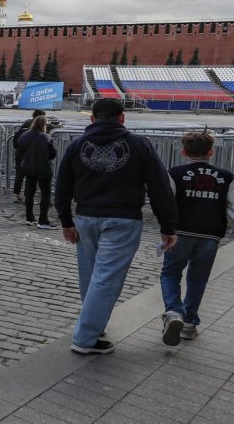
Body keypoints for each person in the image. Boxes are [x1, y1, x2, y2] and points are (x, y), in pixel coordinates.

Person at [55, 98, 177, 355]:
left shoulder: (77, 145)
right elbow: (159, 188)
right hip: (123, 219)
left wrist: (66, 221)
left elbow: (62, 186)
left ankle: (95, 325)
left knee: (90, 276)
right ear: (122, 118)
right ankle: (85, 338)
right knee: (106, 279)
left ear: (92, 119)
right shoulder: (140, 145)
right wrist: (168, 226)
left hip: (86, 217)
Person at [159, 130, 234, 345]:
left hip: (180, 233)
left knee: (170, 274)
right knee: (198, 278)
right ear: (211, 152)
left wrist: (167, 226)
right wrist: (223, 225)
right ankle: (190, 324)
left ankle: (173, 311)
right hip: (210, 235)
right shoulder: (226, 177)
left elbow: (165, 202)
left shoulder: (175, 173)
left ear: (183, 152)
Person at [17, 115, 57, 228]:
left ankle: (29, 218)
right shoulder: (46, 137)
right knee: (45, 194)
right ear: (44, 124)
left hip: (29, 168)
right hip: (43, 168)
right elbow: (52, 153)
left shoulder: (25, 135)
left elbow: (18, 146)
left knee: (29, 193)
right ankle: (43, 220)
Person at [12, 108, 48, 202]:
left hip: (20, 153)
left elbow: (16, 141)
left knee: (19, 175)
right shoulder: (39, 126)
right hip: (30, 155)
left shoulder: (25, 125)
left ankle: (16, 195)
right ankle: (28, 197)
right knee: (30, 176)